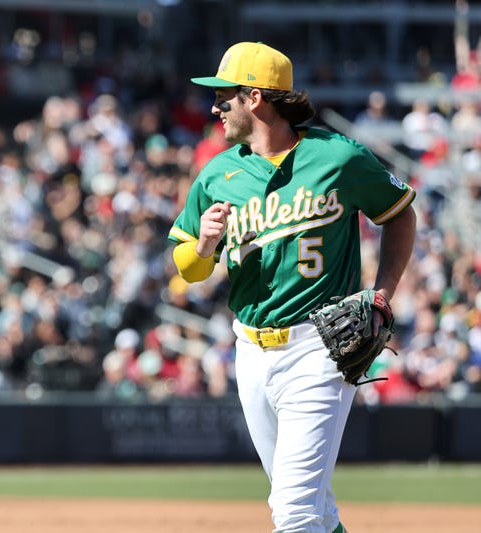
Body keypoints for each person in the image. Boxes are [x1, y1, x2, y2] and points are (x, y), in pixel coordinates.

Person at [169, 42, 417, 533]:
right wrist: (203, 247)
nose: (215, 106)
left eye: (225, 95)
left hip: (319, 347)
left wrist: (383, 290)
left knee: (294, 510)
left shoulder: (337, 156)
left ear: (255, 97)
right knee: (315, 508)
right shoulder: (218, 174)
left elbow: (399, 213)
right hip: (250, 351)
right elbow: (188, 271)